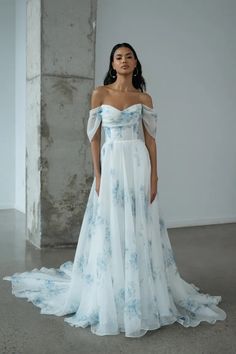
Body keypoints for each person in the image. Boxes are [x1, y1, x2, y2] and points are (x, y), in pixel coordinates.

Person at [3, 42, 226, 338]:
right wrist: (96, 173)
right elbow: (94, 137)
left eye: (128, 57)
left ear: (135, 63)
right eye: (118, 57)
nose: (123, 61)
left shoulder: (143, 97)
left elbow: (150, 140)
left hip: (137, 164)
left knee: (138, 226)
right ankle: (111, 288)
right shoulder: (100, 93)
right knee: (109, 225)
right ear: (112, 64)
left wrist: (155, 177)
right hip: (111, 165)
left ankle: (139, 287)